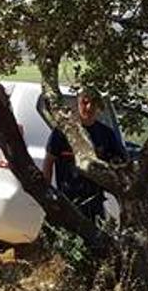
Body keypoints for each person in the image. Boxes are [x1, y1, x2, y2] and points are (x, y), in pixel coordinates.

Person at [43, 89, 127, 222]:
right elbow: (48, 162)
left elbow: (120, 162)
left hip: (94, 202)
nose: (88, 107)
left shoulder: (106, 134)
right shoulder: (63, 132)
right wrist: (47, 194)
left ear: (98, 106)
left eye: (93, 104)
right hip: (67, 201)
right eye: (84, 102)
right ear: (78, 103)